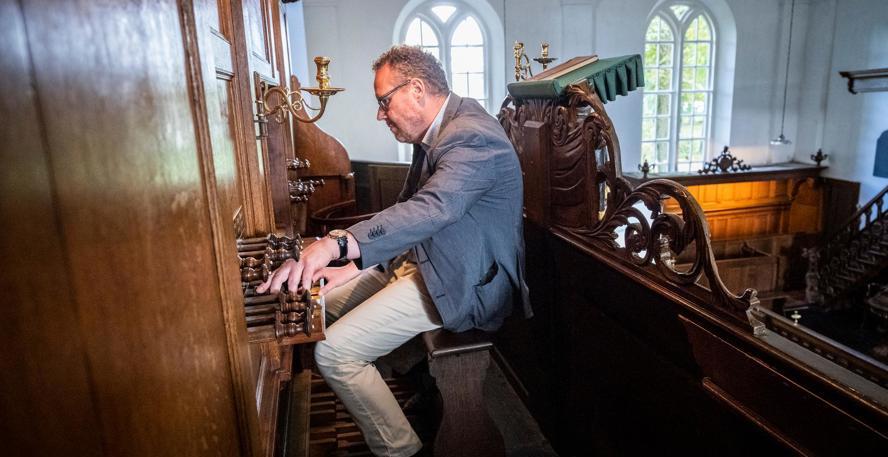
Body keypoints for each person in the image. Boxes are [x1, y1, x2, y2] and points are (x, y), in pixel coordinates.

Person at [257, 44, 531, 457]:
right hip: (426, 264)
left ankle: (401, 450)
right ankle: (399, 386)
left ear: (416, 89)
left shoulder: (471, 136)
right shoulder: (439, 130)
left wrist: (335, 244)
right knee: (323, 303)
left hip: (465, 283)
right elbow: (406, 212)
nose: (380, 114)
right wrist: (348, 268)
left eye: (384, 101)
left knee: (333, 354)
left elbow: (432, 210)